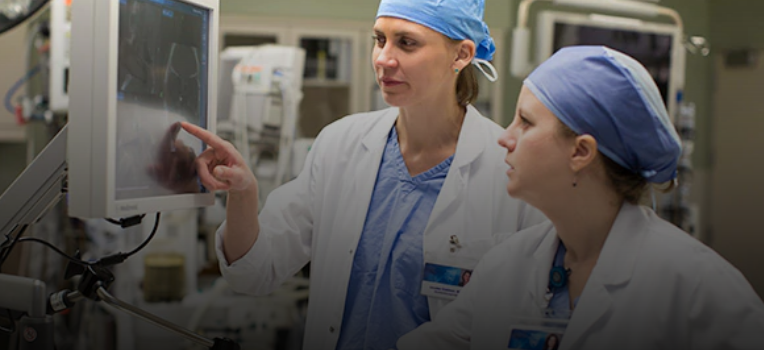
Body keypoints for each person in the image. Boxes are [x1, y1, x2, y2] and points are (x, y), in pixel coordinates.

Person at [178, 0, 546, 349]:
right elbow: (254, 273)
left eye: (406, 43)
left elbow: (531, 319)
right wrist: (244, 194)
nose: (384, 59)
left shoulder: (511, 172)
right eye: (379, 39)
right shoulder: (340, 144)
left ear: (461, 54)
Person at [396, 46, 764, 350]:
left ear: (581, 152)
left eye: (525, 122)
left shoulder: (698, 289)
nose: (505, 138)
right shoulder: (507, 268)